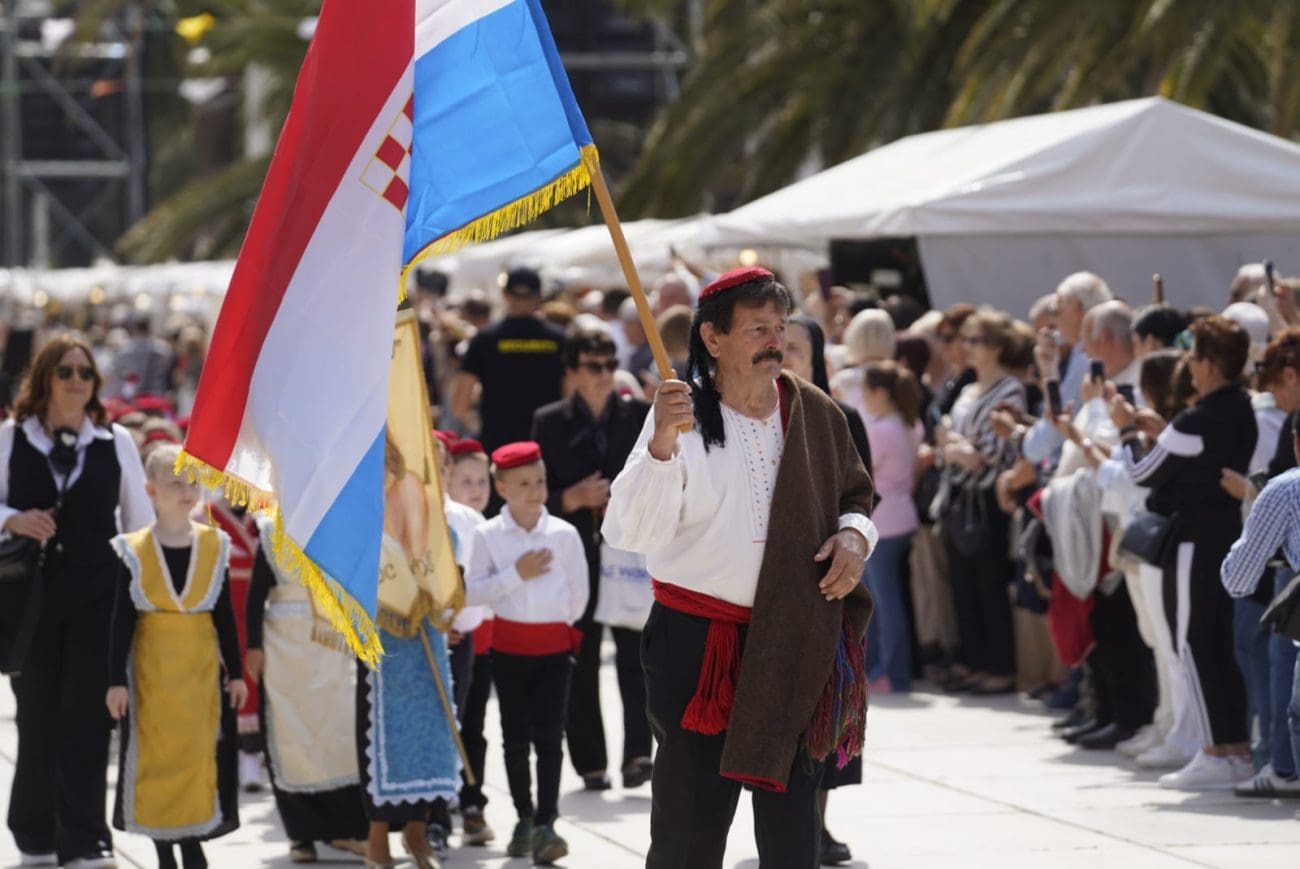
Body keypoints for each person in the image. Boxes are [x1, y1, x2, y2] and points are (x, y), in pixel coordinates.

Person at [603, 267, 877, 869]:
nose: (775, 341)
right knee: (690, 830)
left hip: (793, 638)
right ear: (713, 337)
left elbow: (856, 499)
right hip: (699, 648)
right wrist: (662, 444)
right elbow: (631, 532)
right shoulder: (679, 416)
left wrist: (855, 539)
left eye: (780, 327)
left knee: (792, 833)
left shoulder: (815, 413)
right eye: (758, 329)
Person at [0, 333, 153, 868]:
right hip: (30, 603)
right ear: (44, 378)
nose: (75, 381)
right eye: (64, 371)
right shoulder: (11, 438)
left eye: (85, 373)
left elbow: (139, 527)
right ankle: (35, 834)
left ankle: (86, 838)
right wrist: (12, 519)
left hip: (98, 600)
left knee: (88, 718)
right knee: (37, 715)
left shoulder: (115, 442)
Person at [1114, 315, 1256, 789]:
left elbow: (1142, 471)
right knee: (1217, 642)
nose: (1189, 365)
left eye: (1194, 357)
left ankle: (1215, 750)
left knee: (1195, 642)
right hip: (1228, 533)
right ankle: (1233, 750)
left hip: (1196, 540)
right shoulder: (1242, 407)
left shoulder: (1201, 417)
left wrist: (1126, 432)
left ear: (1209, 364)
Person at [105, 444, 244, 868]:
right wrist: (116, 681)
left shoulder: (214, 544)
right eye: (175, 483)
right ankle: (164, 847)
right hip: (152, 672)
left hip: (199, 672)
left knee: (198, 754)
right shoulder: (133, 550)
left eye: (192, 483)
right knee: (156, 756)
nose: (186, 492)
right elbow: (121, 620)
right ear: (150, 490)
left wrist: (236, 673)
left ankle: (193, 839)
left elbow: (224, 615)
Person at [531, 327, 654, 792]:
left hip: (629, 552)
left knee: (636, 654)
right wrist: (572, 498)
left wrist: (624, 502)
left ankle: (639, 754)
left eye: (610, 364)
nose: (604, 374)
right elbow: (533, 492)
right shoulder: (549, 421)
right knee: (579, 661)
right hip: (576, 553)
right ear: (572, 371)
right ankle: (591, 764)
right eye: (593, 366)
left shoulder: (639, 414)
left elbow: (661, 475)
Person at [465, 442, 588, 866]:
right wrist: (517, 575)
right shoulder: (487, 535)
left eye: (540, 482)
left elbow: (579, 592)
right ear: (501, 488)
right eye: (524, 484)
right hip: (509, 650)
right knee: (515, 738)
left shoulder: (563, 534)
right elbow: (472, 592)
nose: (535, 491)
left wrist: (559, 620)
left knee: (551, 737)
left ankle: (547, 821)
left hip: (554, 649)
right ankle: (524, 816)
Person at [782, 314, 873, 868]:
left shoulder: (842, 416)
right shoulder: (757, 417)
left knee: (829, 710)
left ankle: (817, 825)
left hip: (831, 582)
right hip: (771, 586)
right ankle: (790, 828)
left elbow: (862, 497)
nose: (785, 354)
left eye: (795, 346)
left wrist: (849, 541)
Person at [244, 518, 369, 864]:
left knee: (340, 735)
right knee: (293, 737)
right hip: (285, 650)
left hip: (335, 647)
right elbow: (256, 594)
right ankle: (302, 835)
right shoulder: (271, 533)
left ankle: (346, 830)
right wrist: (253, 645)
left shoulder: (344, 524)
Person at [937, 309, 1026, 695]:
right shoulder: (967, 389)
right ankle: (973, 661)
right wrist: (956, 449)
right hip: (958, 495)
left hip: (988, 498)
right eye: (965, 340)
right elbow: (945, 442)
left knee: (989, 584)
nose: (966, 347)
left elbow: (990, 452)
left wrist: (954, 447)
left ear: (996, 347)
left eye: (974, 340)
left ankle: (1000, 666)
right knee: (963, 585)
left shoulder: (1009, 390)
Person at [450, 267, 567, 461]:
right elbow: (570, 394)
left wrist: (478, 425)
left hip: (498, 447)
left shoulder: (485, 340)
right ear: (540, 296)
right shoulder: (559, 339)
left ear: (504, 294)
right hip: (547, 446)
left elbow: (459, 404)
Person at [442, 437, 496, 844]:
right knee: (449, 722)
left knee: (474, 724)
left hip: (484, 638)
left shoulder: (485, 526)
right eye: (466, 481)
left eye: (482, 481)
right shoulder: (445, 521)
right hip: (451, 637)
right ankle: (437, 809)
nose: (476, 490)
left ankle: (472, 804)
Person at [861, 361, 921, 694]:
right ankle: (883, 668)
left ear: (881, 393)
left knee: (884, 603)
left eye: (867, 391)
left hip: (883, 522)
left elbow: (862, 469)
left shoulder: (883, 429)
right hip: (900, 517)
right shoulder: (907, 423)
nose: (864, 398)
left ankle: (892, 672)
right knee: (885, 601)